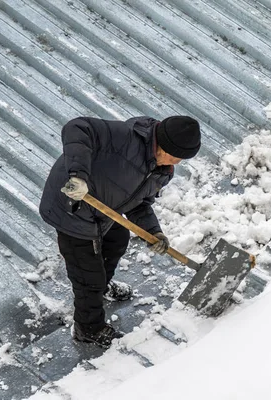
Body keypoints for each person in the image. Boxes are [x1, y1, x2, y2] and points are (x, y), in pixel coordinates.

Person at [39, 115, 201, 348]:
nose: (175, 163)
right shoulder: (124, 138)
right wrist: (78, 176)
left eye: (181, 159)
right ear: (162, 144)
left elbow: (139, 202)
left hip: (103, 209)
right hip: (71, 207)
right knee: (88, 275)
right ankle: (88, 328)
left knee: (117, 241)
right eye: (175, 156)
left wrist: (154, 232)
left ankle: (102, 287)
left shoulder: (162, 170)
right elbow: (77, 127)